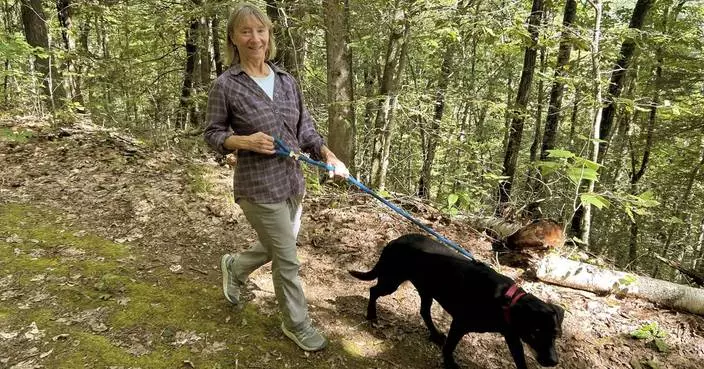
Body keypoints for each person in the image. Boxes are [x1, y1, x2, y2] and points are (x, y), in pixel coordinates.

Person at [203, 3, 348, 352]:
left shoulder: (286, 81)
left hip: (293, 183)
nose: (255, 38)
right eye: (246, 31)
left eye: (261, 30)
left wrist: (330, 157)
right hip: (257, 187)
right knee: (287, 258)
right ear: (233, 39)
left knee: (274, 247)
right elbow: (212, 134)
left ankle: (235, 267)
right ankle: (296, 324)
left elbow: (306, 130)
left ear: (269, 35)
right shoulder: (227, 85)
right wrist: (243, 141)